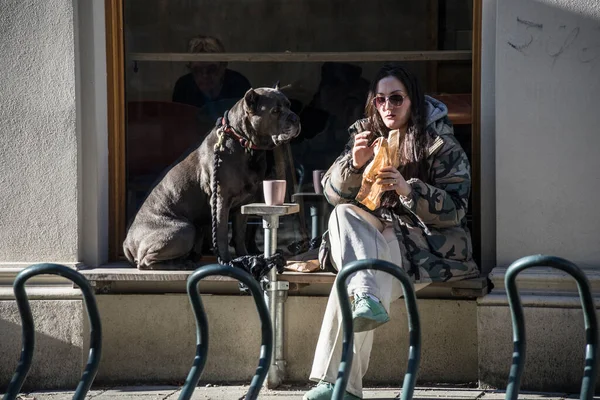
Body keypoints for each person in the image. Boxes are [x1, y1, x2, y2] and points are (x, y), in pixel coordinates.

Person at [303, 63, 479, 400]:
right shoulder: (364, 136)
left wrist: (409, 191)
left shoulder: (439, 143)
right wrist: (354, 165)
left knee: (355, 280)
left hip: (424, 243)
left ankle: (339, 385)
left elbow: (458, 207)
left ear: (412, 100)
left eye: (396, 99)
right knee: (342, 215)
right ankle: (364, 303)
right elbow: (332, 195)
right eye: (380, 99)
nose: (388, 107)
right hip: (371, 237)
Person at [172, 35, 251, 120]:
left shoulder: (238, 84)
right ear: (190, 68)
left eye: (211, 69)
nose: (205, 75)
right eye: (197, 70)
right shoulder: (183, 88)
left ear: (223, 66)